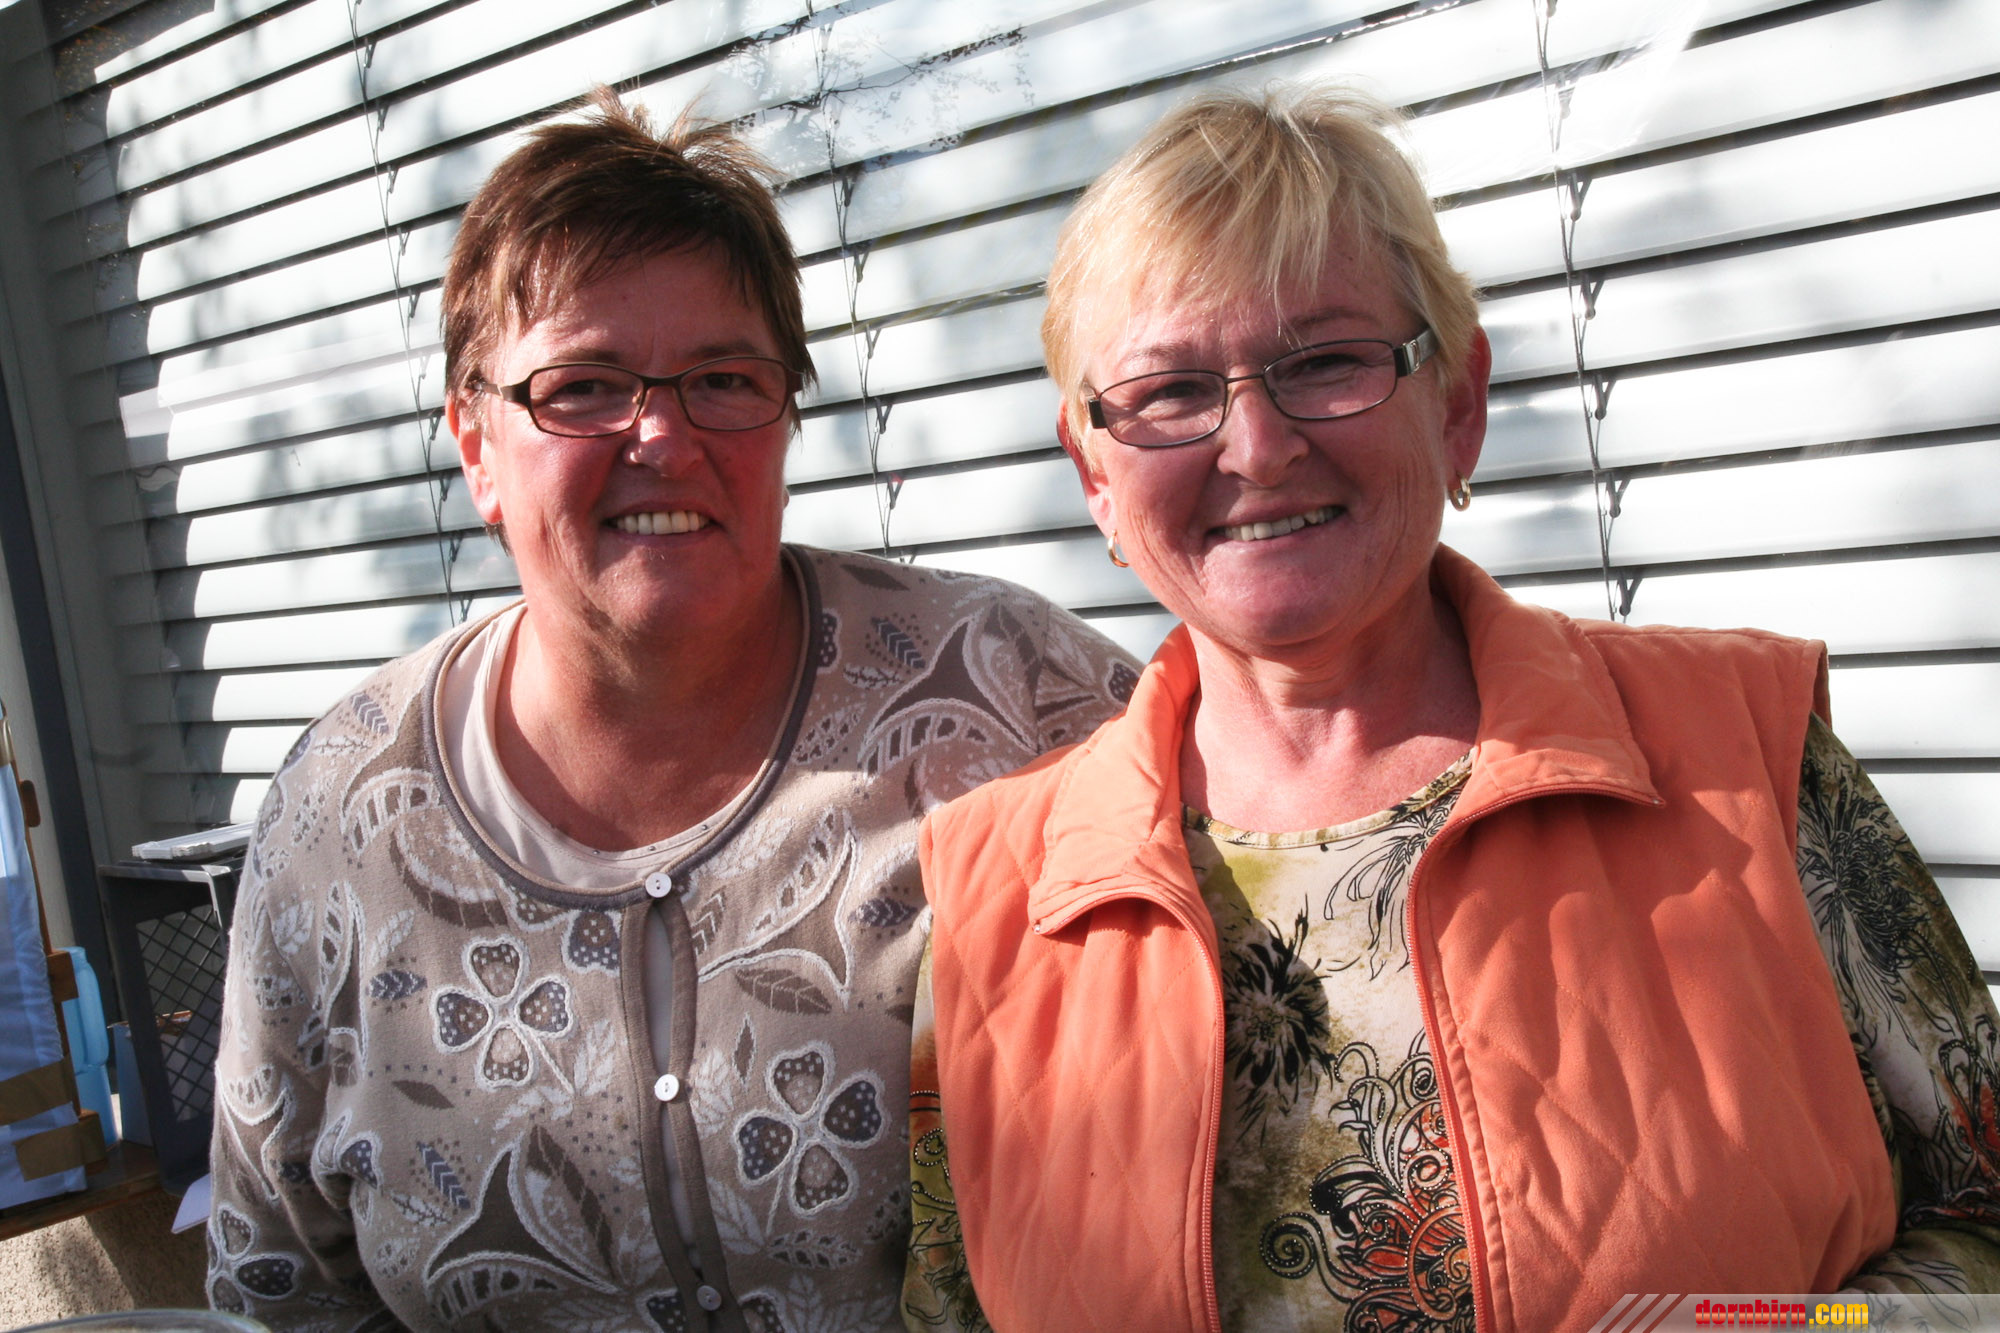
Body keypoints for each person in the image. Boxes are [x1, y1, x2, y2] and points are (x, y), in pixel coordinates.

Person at [903, 85, 2000, 1333]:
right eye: (1169, 392)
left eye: (1325, 361)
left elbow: (1983, 1222)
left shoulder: (1741, 747)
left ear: (1457, 402)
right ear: (1095, 473)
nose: (1255, 445)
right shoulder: (993, 895)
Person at [205, 90, 1137, 1332]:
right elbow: (280, 1289)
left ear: (786, 415)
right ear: (475, 445)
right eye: (582, 385)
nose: (660, 433)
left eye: (723, 378)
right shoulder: (340, 812)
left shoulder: (1011, 695)